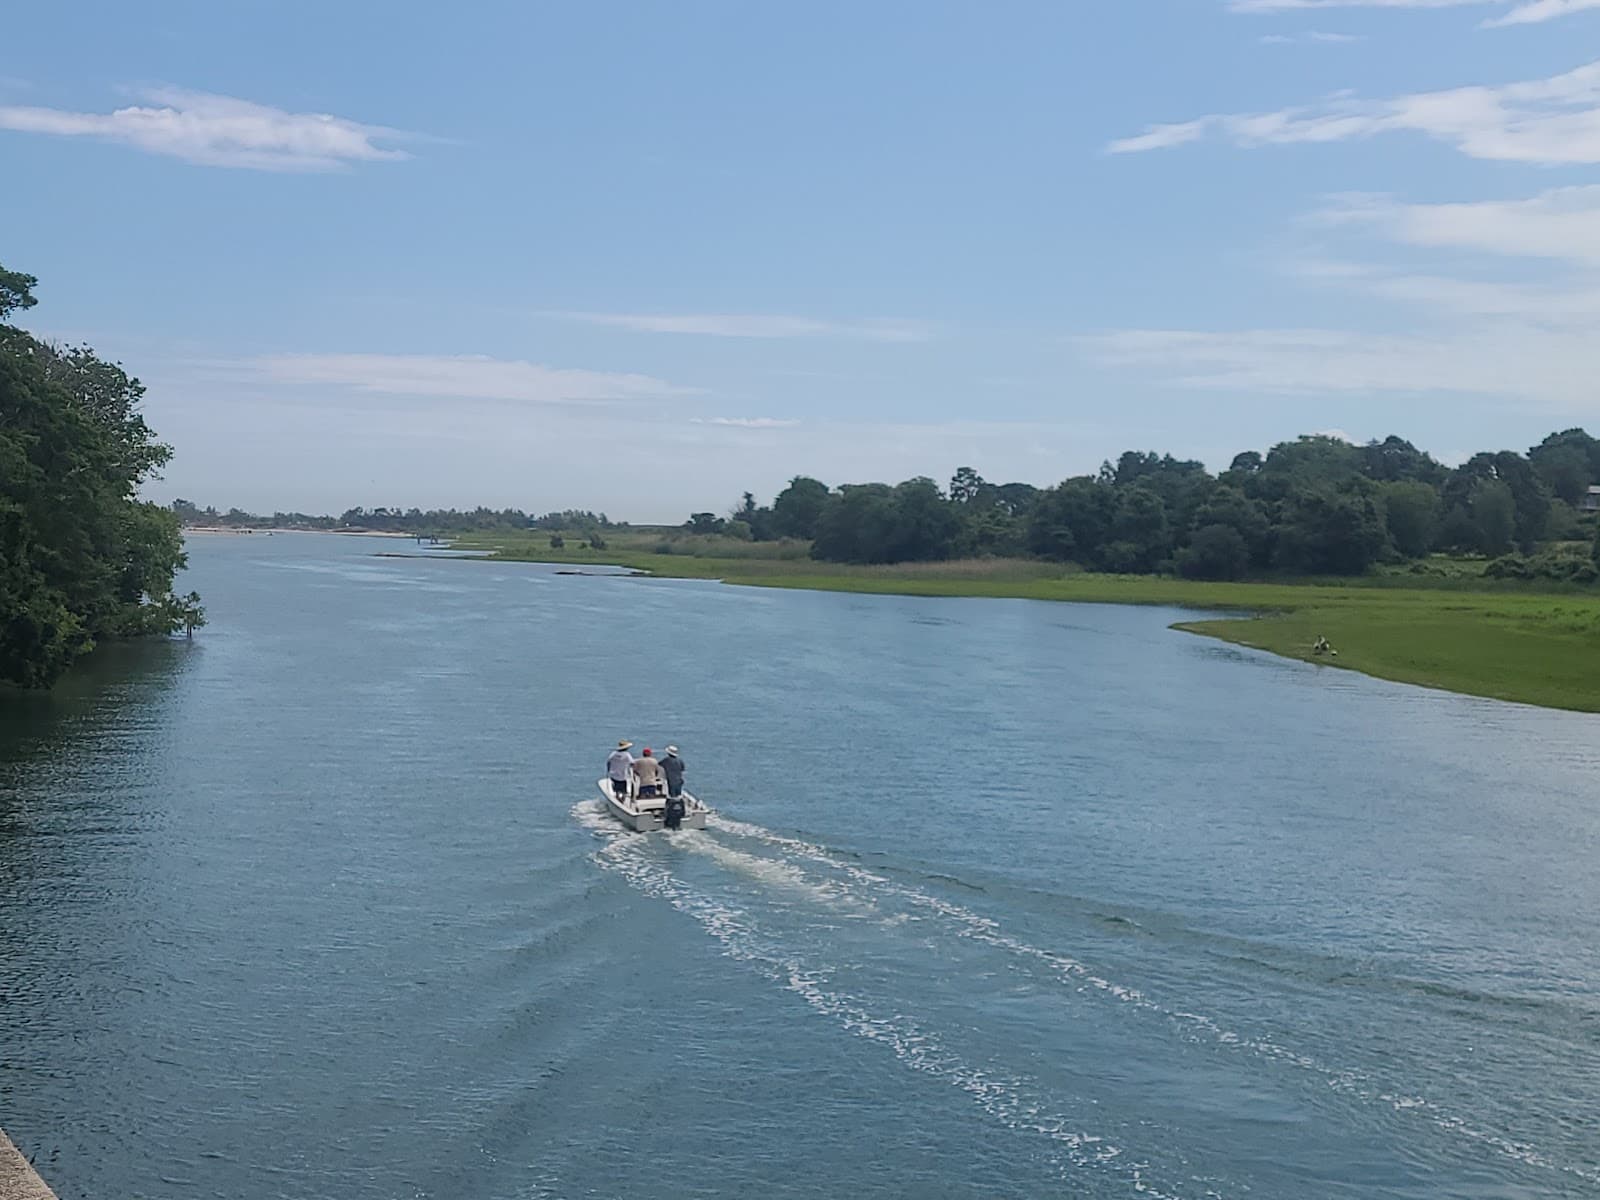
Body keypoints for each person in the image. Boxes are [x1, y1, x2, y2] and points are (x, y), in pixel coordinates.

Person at [660, 745, 687, 829]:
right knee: (678, 796)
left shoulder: (666, 760)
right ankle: (680, 812)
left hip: (671, 781)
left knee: (671, 797)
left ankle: (668, 813)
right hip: (679, 781)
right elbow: (683, 769)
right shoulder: (680, 761)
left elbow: (659, 765)